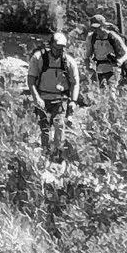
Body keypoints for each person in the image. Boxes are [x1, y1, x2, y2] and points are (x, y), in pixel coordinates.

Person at [29, 19, 83, 161]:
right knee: (45, 129)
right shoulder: (38, 58)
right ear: (51, 45)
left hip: (60, 100)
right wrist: (37, 98)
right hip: (42, 98)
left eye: (62, 48)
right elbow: (31, 81)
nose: (59, 51)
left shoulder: (68, 62)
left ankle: (58, 156)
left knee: (59, 126)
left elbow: (75, 83)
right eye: (57, 48)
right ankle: (45, 154)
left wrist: (73, 101)